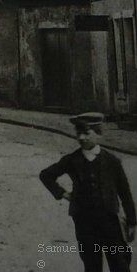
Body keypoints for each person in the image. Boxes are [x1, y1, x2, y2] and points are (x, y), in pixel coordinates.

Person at [40, 112, 135, 272]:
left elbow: (125, 193)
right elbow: (46, 175)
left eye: (86, 133)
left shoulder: (112, 161)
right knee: (91, 264)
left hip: (110, 222)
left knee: (120, 263)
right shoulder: (72, 160)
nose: (82, 137)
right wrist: (63, 193)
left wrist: (132, 221)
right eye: (78, 133)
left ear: (98, 133)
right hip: (84, 223)